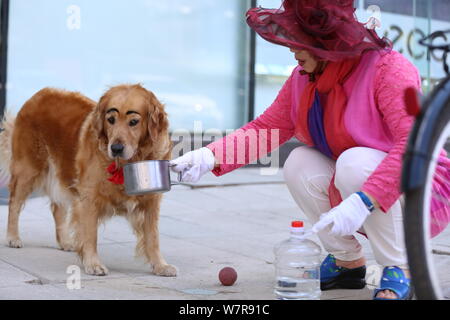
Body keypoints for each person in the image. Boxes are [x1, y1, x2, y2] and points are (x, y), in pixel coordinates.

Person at [170, 0, 450, 300]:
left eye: (299, 41)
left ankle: (400, 267)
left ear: (325, 43)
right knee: (298, 162)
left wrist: (364, 200)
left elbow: (412, 147)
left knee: (353, 164)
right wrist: (208, 155)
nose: (292, 49)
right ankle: (346, 262)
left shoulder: (388, 68)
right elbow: (266, 129)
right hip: (355, 176)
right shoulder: (303, 77)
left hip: (420, 187)